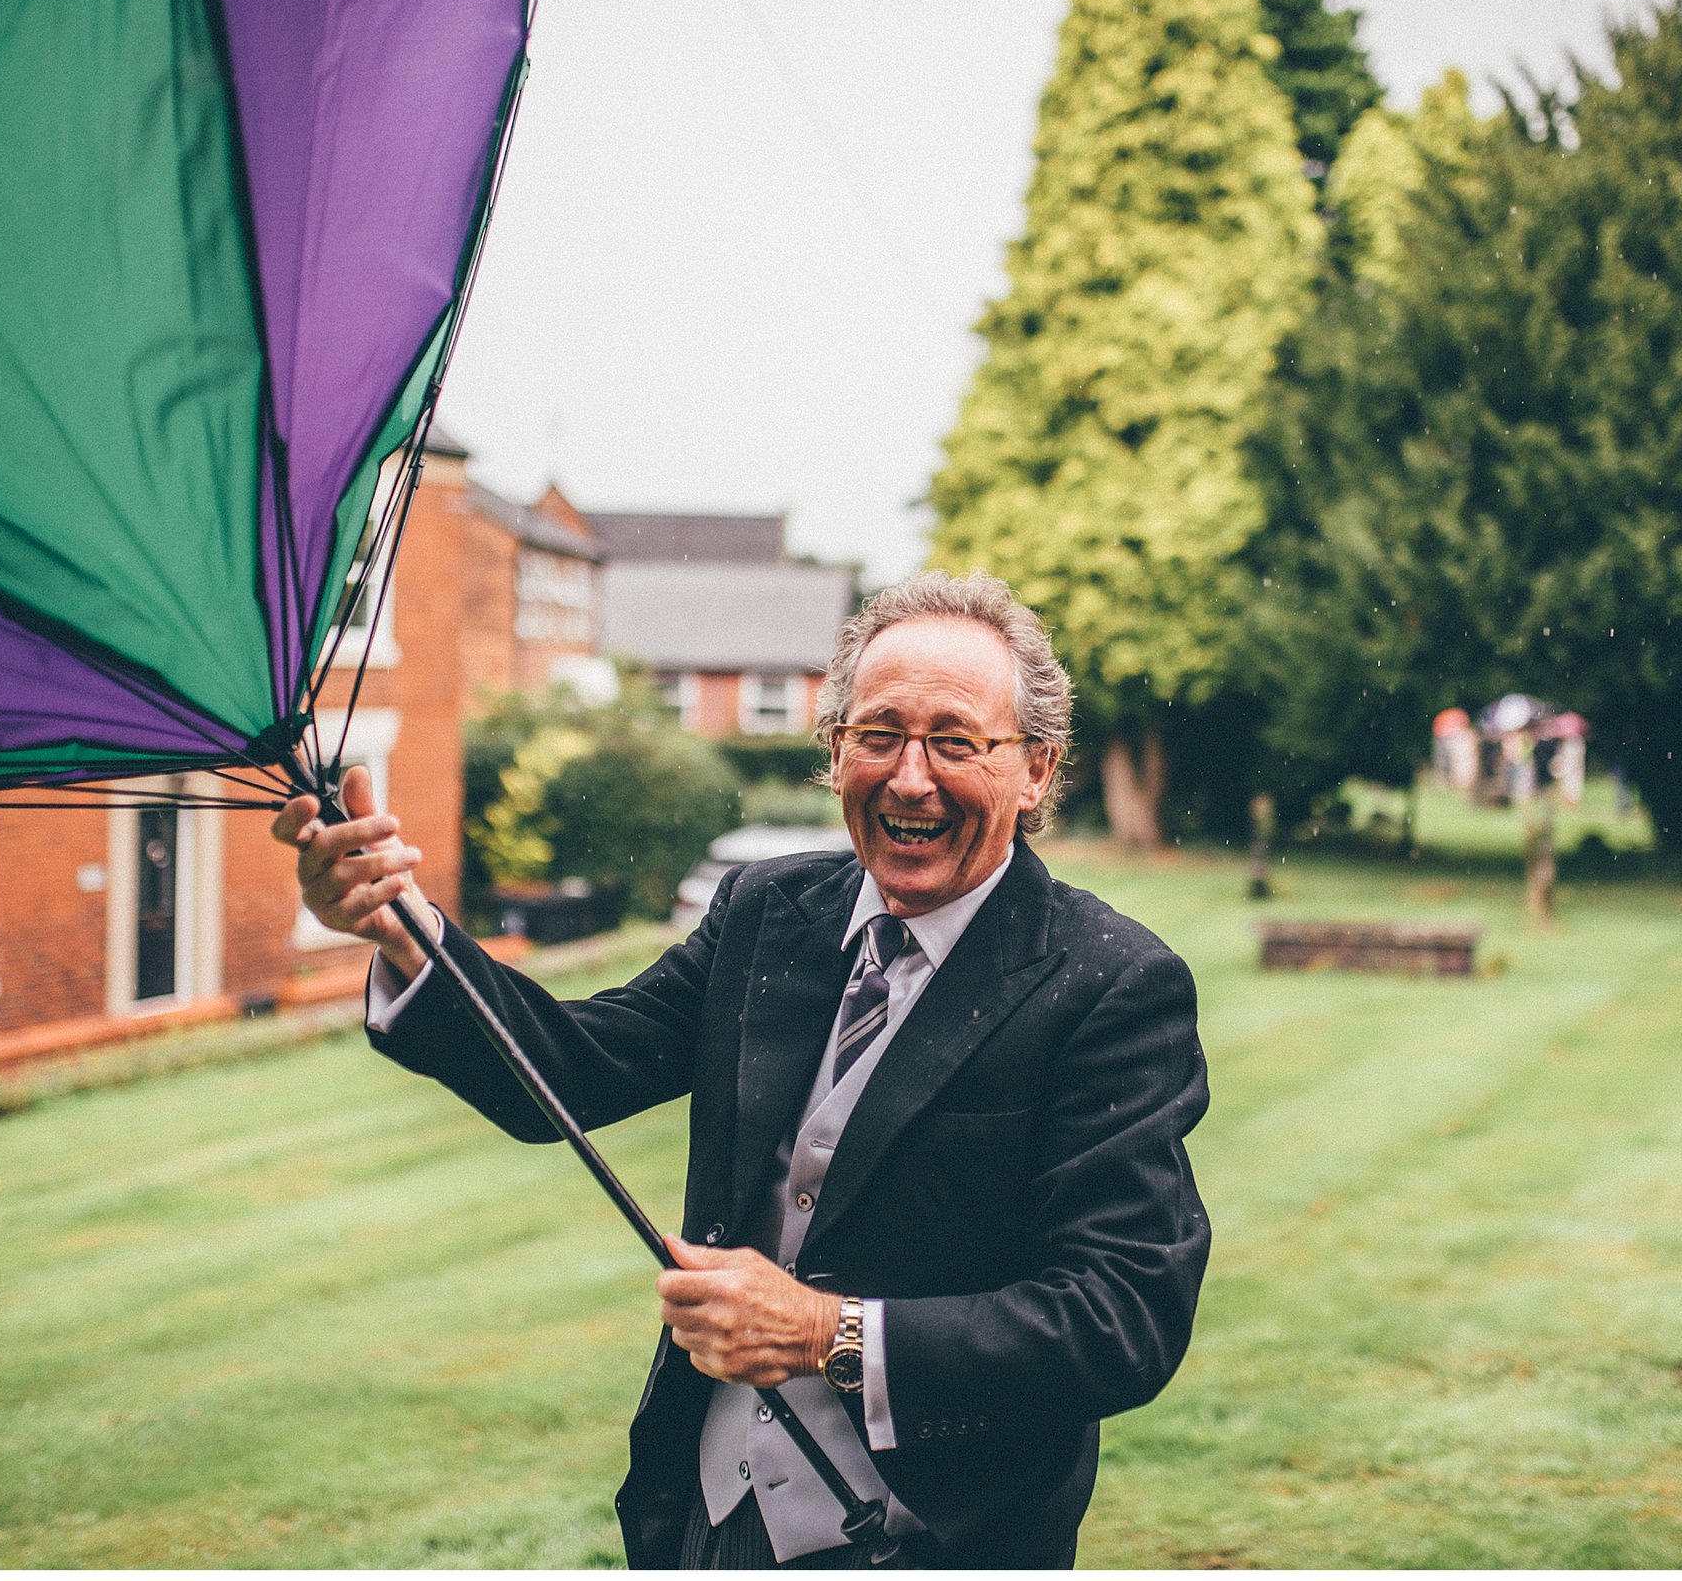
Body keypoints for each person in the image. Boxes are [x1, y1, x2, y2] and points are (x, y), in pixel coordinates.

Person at [275, 570, 1210, 1568]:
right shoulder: (765, 912)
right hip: (705, 1519)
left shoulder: (1111, 983)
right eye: (878, 733)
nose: (908, 776)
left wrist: (826, 1332)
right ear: (835, 749)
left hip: (934, 1538)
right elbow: (569, 1070)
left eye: (955, 740)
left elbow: (1121, 1316)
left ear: (1035, 769)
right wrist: (404, 927)